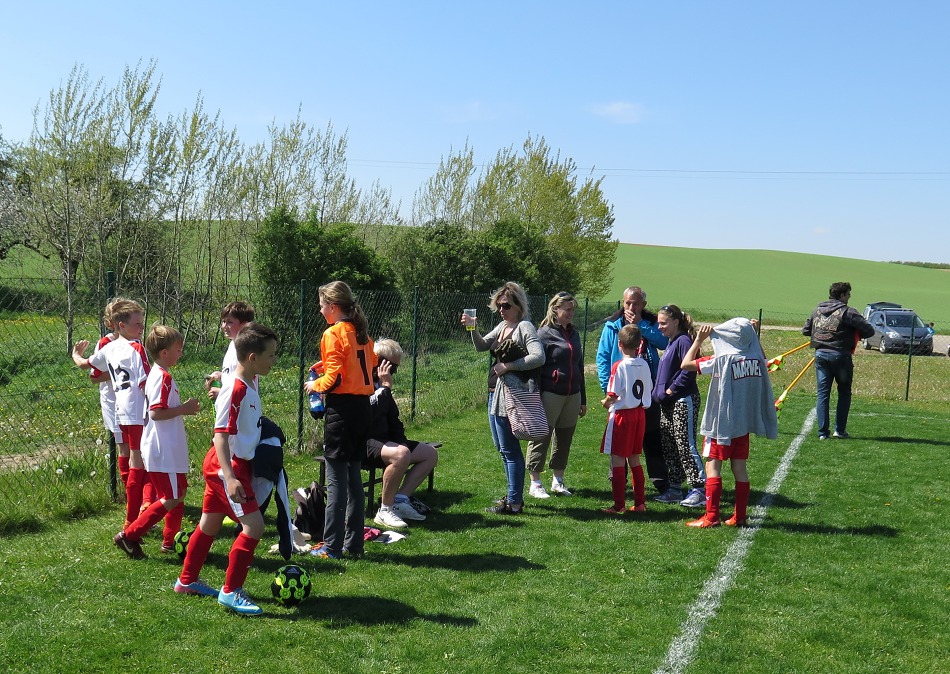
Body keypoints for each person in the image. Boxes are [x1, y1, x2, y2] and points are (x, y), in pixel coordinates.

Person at [175, 322, 278, 616]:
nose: (274, 360)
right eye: (270, 355)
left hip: (231, 466)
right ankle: (231, 591)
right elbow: (220, 434)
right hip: (228, 469)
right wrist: (231, 477)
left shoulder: (247, 385)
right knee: (255, 527)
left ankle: (187, 580)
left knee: (209, 523)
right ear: (252, 358)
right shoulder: (234, 390)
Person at [680, 319, 778, 528]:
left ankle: (711, 516)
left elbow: (686, 364)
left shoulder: (721, 358)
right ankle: (739, 516)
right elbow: (762, 355)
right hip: (743, 422)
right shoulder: (756, 357)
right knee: (740, 468)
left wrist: (698, 340)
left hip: (721, 423)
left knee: (712, 466)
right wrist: (754, 333)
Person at [114, 325, 200, 558]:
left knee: (179, 492)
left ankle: (170, 540)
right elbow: (156, 413)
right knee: (170, 497)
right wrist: (185, 408)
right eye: (178, 349)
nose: (181, 353)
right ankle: (129, 535)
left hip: (169, 447)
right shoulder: (162, 377)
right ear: (164, 353)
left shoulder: (159, 374)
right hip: (163, 449)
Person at [305, 281, 377, 559]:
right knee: (354, 482)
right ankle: (354, 546)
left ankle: (332, 547)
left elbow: (334, 378)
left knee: (336, 483)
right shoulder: (361, 334)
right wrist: (326, 369)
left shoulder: (333, 334)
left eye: (322, 305)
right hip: (362, 410)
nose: (320, 310)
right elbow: (363, 367)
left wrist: (315, 385)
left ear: (333, 307)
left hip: (342, 412)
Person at [461, 281, 544, 514]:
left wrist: (507, 365)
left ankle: (514, 503)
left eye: (506, 305)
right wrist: (472, 329)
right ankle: (512, 498)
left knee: (510, 451)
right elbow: (481, 346)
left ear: (518, 305)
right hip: (495, 395)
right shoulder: (502, 326)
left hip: (511, 397)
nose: (501, 309)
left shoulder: (524, 327)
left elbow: (539, 357)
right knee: (502, 448)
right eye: (499, 305)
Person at [74, 298, 151, 529]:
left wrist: (76, 356)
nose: (142, 327)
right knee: (136, 456)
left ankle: (140, 504)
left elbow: (84, 364)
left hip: (125, 407)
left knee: (138, 455)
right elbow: (95, 375)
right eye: (137, 323)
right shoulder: (111, 345)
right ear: (117, 324)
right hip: (125, 407)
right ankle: (136, 512)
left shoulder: (129, 343)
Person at [595, 286, 669, 494]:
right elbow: (602, 358)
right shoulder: (612, 325)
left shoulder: (650, 322)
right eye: (628, 302)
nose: (631, 307)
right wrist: (607, 388)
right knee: (618, 439)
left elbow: (663, 341)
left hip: (647, 392)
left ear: (643, 305)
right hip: (620, 393)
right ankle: (618, 478)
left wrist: (641, 326)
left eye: (636, 303)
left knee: (651, 437)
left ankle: (659, 479)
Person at [366, 338, 439, 529]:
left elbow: (392, 418)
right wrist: (385, 388)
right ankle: (385, 510)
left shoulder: (381, 384)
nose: (393, 373)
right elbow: (370, 416)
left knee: (429, 453)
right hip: (364, 441)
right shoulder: (363, 382)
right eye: (392, 367)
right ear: (379, 362)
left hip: (384, 440)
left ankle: (399, 499)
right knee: (401, 454)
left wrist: (401, 441)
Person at [526, 292, 587, 498]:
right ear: (555, 309)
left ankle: (558, 481)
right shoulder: (543, 334)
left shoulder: (574, 334)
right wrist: (535, 396)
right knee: (541, 435)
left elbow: (579, 366)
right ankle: (535, 483)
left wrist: (583, 399)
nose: (571, 313)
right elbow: (534, 367)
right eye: (567, 309)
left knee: (565, 436)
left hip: (573, 394)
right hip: (550, 393)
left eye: (573, 310)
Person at [802, 282, 874, 440]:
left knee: (822, 394)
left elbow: (806, 330)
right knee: (844, 392)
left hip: (820, 355)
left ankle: (822, 433)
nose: (849, 297)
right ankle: (839, 430)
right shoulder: (848, 312)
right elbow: (869, 330)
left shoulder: (817, 310)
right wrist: (853, 333)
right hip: (840, 356)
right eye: (848, 294)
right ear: (842, 295)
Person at [653, 304, 706, 508]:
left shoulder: (684, 341)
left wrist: (671, 390)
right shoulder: (672, 342)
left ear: (676, 321)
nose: (660, 327)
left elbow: (689, 369)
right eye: (658, 323)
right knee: (670, 445)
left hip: (683, 400)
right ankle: (675, 488)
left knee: (685, 443)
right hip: (667, 403)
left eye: (663, 323)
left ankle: (699, 489)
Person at [599, 324, 653, 515]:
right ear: (640, 344)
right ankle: (640, 503)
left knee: (617, 459)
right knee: (635, 458)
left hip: (622, 416)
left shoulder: (619, 366)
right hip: (639, 414)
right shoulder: (645, 364)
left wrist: (605, 402)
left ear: (619, 344)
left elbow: (613, 393)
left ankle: (618, 505)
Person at [73, 299, 128, 485]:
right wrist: (121, 374)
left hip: (134, 401)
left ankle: (144, 492)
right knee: (125, 448)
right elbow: (95, 377)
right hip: (114, 402)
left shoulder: (135, 340)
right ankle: (130, 491)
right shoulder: (105, 343)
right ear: (112, 323)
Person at [205, 301, 256, 402]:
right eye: (223, 321)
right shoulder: (233, 344)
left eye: (229, 322)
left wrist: (221, 393)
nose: (224, 326)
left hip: (240, 408)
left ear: (245, 324)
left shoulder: (246, 349)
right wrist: (219, 376)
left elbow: (246, 385)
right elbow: (234, 374)